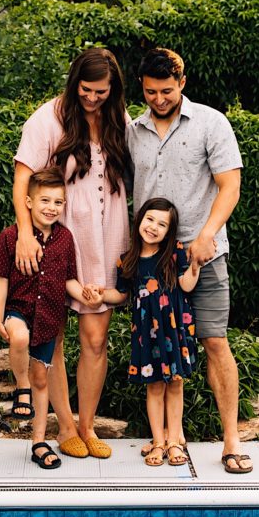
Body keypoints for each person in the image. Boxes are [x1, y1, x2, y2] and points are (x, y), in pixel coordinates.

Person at [127, 47, 253, 474]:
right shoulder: (132, 130)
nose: (158, 99)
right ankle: (165, 437)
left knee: (215, 341)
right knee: (158, 352)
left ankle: (231, 440)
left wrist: (205, 237)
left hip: (202, 253)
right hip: (150, 261)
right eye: (150, 92)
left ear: (182, 83)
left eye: (166, 90)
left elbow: (229, 186)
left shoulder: (211, 123)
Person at [13, 48, 131, 459]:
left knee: (96, 338)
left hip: (109, 236)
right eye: (87, 90)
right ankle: (64, 426)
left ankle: (87, 424)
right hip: (62, 238)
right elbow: (23, 177)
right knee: (55, 336)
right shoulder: (49, 118)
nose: (93, 98)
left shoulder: (119, 120)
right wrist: (26, 234)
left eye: (102, 91)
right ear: (74, 82)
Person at [0, 168, 93, 469]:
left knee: (42, 379)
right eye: (45, 200)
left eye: (58, 203)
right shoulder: (11, 236)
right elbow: (0, 278)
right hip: (18, 310)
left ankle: (38, 441)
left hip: (48, 317)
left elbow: (68, 280)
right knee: (19, 339)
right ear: (29, 201)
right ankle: (21, 388)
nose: (51, 207)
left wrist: (83, 292)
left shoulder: (64, 238)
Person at [98, 198, 199, 467]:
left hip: (174, 329)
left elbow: (186, 285)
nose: (153, 227)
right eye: (150, 219)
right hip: (148, 333)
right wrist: (97, 294)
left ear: (169, 231)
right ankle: (158, 441)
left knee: (175, 382)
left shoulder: (174, 253)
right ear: (139, 219)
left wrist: (196, 265)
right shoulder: (127, 261)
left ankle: (175, 441)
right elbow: (120, 294)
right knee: (154, 386)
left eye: (162, 224)